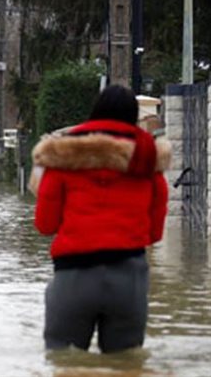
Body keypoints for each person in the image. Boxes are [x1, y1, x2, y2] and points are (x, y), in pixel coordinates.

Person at [30, 85, 170, 353]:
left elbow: (45, 225)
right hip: (128, 277)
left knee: (64, 358)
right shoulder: (147, 159)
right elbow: (154, 233)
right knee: (126, 362)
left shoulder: (63, 156)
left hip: (73, 275)